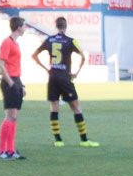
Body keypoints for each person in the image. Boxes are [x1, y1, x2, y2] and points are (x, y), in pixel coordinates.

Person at [32, 17, 98, 148]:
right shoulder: (70, 41)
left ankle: (58, 140)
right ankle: (84, 140)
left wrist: (46, 69)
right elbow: (83, 57)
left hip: (52, 77)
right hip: (65, 78)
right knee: (76, 108)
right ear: (65, 26)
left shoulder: (49, 40)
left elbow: (34, 55)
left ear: (55, 26)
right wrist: (76, 73)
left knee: (54, 108)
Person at [0, 16, 27, 159]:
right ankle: (1, 150)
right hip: (9, 82)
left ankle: (10, 150)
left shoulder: (16, 43)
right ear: (18, 27)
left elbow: (14, 65)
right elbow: (0, 64)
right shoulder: (7, 43)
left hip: (16, 80)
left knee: (14, 117)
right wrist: (11, 83)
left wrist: (21, 84)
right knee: (10, 116)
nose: (25, 28)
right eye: (24, 26)